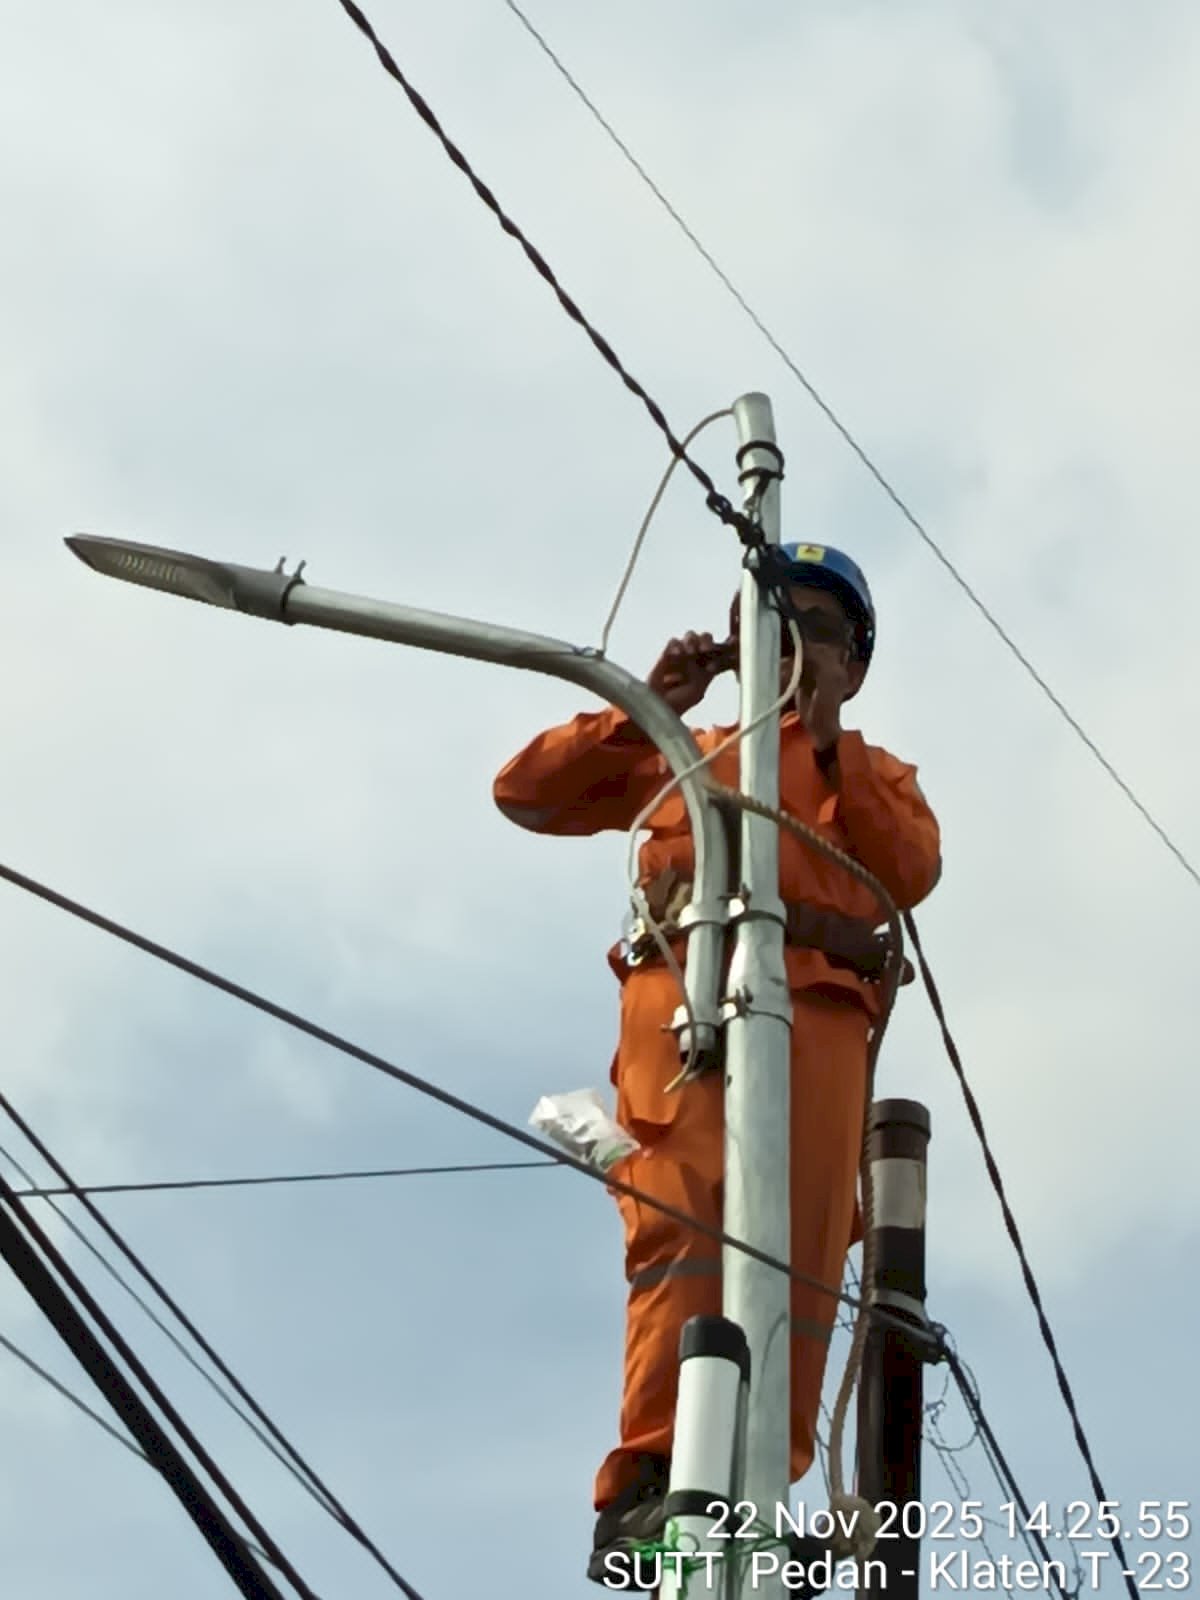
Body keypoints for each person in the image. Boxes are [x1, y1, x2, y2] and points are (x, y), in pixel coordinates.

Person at [492, 543, 941, 1586]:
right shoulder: (679, 750)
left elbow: (909, 865)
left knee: (801, 1252)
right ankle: (651, 1483)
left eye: (820, 627)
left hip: (819, 1030)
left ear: (855, 661)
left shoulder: (870, 774)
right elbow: (528, 791)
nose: (793, 641)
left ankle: (761, 1492)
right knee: (680, 1231)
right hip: (686, 1026)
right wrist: (642, 702)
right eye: (774, 620)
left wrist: (825, 739)